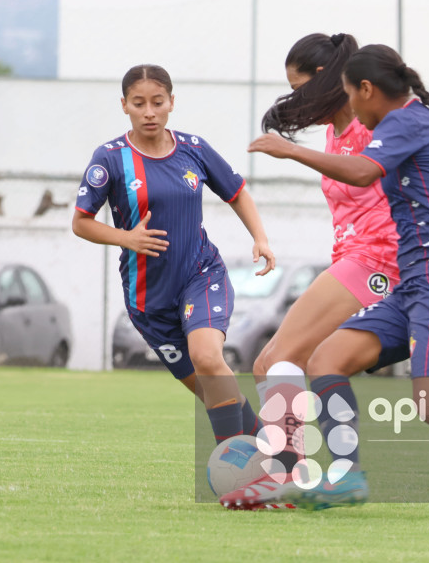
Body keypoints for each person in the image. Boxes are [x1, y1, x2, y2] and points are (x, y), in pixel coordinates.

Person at [220, 33, 429, 512]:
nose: (295, 99)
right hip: (406, 276)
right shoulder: (378, 124)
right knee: (323, 361)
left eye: (301, 86)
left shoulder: (393, 123)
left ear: (360, 88)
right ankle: (341, 477)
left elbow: (380, 172)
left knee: (428, 404)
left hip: (420, 273)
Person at [72, 64, 276, 445]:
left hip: (201, 274)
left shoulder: (194, 149)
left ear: (171, 103)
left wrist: (260, 237)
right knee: (212, 390)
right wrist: (125, 238)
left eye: (157, 102)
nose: (149, 111)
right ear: (124, 106)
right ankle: (277, 455)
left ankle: (239, 467)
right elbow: (81, 222)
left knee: (209, 359)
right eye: (139, 103)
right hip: (149, 299)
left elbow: (236, 191)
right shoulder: (111, 158)